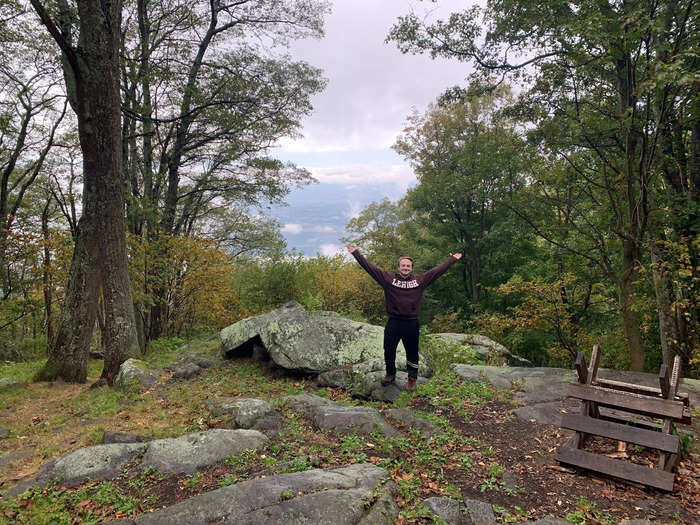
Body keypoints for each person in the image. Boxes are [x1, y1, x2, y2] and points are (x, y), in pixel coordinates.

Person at [346, 246, 462, 391]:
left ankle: (412, 379)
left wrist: (452, 260)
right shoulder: (388, 279)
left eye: (408, 266)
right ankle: (390, 374)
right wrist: (356, 253)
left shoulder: (420, 280)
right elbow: (370, 268)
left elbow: (437, 271)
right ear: (399, 267)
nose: (405, 268)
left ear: (412, 268)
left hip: (411, 323)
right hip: (394, 322)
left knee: (412, 352)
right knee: (389, 349)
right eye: (403, 265)